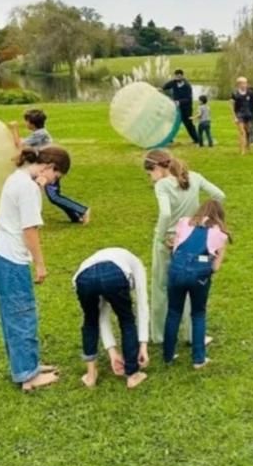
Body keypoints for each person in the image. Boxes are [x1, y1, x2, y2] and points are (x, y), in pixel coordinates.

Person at [0, 145, 71, 391]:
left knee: (12, 313)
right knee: (22, 313)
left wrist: (39, 186)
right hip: (11, 258)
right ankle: (27, 376)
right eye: (57, 176)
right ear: (50, 167)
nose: (54, 181)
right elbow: (30, 229)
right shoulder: (28, 188)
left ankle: (27, 365)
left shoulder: (19, 177)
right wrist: (40, 264)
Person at [141, 148, 226, 345]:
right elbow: (219, 196)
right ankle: (191, 335)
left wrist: (161, 237)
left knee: (161, 286)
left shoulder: (162, 185)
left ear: (157, 167)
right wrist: (203, 219)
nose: (151, 179)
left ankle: (159, 336)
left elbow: (165, 214)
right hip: (191, 240)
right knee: (190, 284)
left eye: (149, 174)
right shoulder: (194, 177)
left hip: (168, 240)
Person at [164, 200, 231, 370]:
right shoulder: (220, 234)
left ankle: (168, 355)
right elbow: (215, 267)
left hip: (176, 271)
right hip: (199, 276)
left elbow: (173, 246)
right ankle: (198, 359)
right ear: (219, 216)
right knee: (198, 314)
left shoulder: (184, 222)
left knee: (173, 312)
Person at [73, 248, 149, 390]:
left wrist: (112, 351)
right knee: (127, 320)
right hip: (114, 274)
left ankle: (91, 375)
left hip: (83, 277)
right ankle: (132, 374)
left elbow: (101, 313)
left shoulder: (99, 258)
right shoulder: (137, 265)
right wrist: (143, 344)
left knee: (90, 321)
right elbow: (142, 304)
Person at [10, 108, 90, 225]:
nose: (25, 123)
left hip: (52, 169)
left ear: (32, 123)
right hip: (47, 167)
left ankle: (83, 210)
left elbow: (19, 144)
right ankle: (75, 217)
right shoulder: (39, 133)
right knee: (49, 194)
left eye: (26, 121)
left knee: (54, 196)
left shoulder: (40, 134)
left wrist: (14, 128)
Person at [162, 69, 200, 146]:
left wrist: (178, 102)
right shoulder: (174, 83)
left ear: (182, 76)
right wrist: (169, 83)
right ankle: (169, 139)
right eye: (176, 76)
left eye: (179, 76)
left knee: (189, 124)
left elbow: (188, 99)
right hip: (176, 108)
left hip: (186, 108)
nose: (178, 78)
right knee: (172, 123)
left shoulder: (187, 86)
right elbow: (165, 86)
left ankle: (197, 140)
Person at [230, 77, 253, 154]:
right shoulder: (235, 94)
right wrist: (234, 117)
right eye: (243, 83)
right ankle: (242, 150)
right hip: (239, 114)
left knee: (248, 131)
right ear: (239, 84)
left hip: (248, 114)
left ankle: (247, 146)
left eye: (246, 83)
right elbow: (231, 105)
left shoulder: (250, 93)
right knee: (242, 132)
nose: (245, 85)